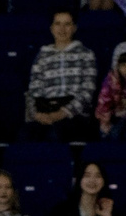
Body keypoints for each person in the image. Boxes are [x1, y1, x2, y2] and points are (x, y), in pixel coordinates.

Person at [24, 9, 97, 142]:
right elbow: (34, 90)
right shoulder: (42, 56)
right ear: (52, 28)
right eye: (58, 24)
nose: (62, 29)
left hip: (74, 114)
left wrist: (62, 113)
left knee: (55, 135)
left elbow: (87, 92)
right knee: (26, 137)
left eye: (67, 24)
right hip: (45, 109)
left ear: (74, 28)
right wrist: (37, 114)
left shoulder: (86, 54)